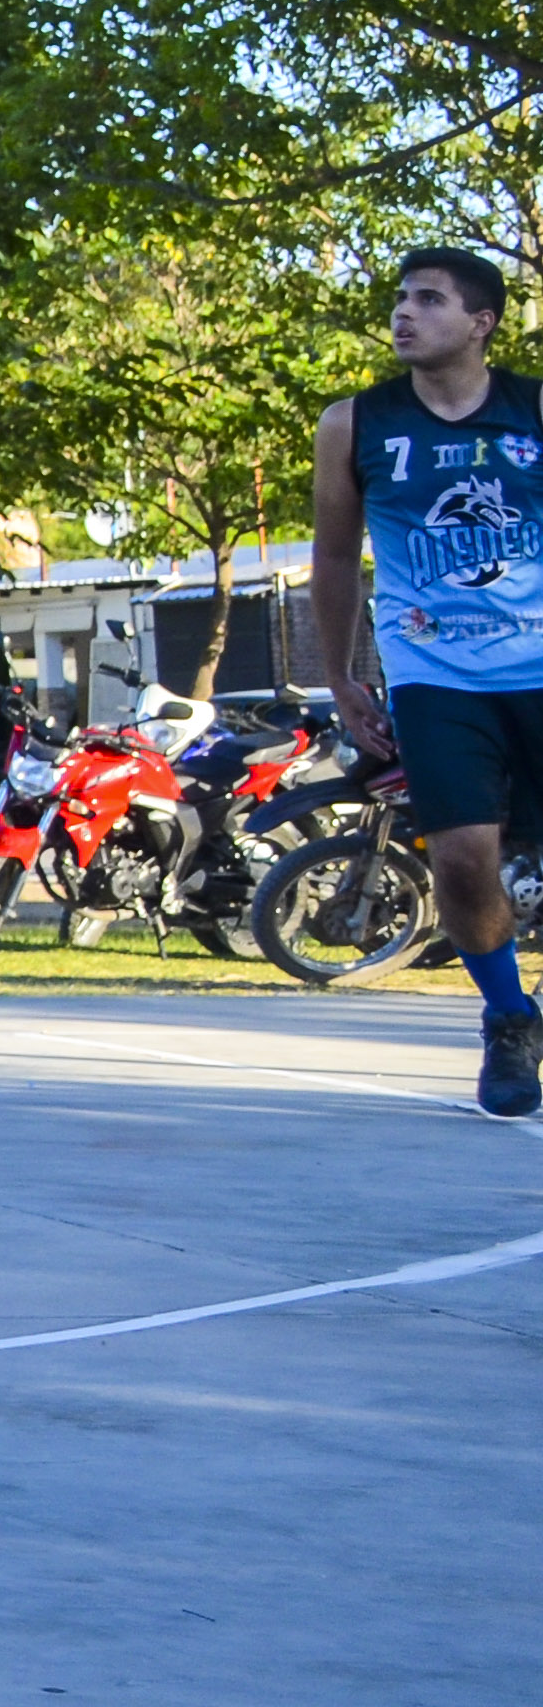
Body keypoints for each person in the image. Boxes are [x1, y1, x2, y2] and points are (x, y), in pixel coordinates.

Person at [313, 244, 543, 1120]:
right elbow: (335, 555)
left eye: (431, 300)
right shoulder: (356, 423)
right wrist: (340, 676)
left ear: (481, 325)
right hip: (435, 673)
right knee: (460, 856)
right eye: (402, 299)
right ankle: (510, 1018)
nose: (404, 313)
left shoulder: (533, 409)